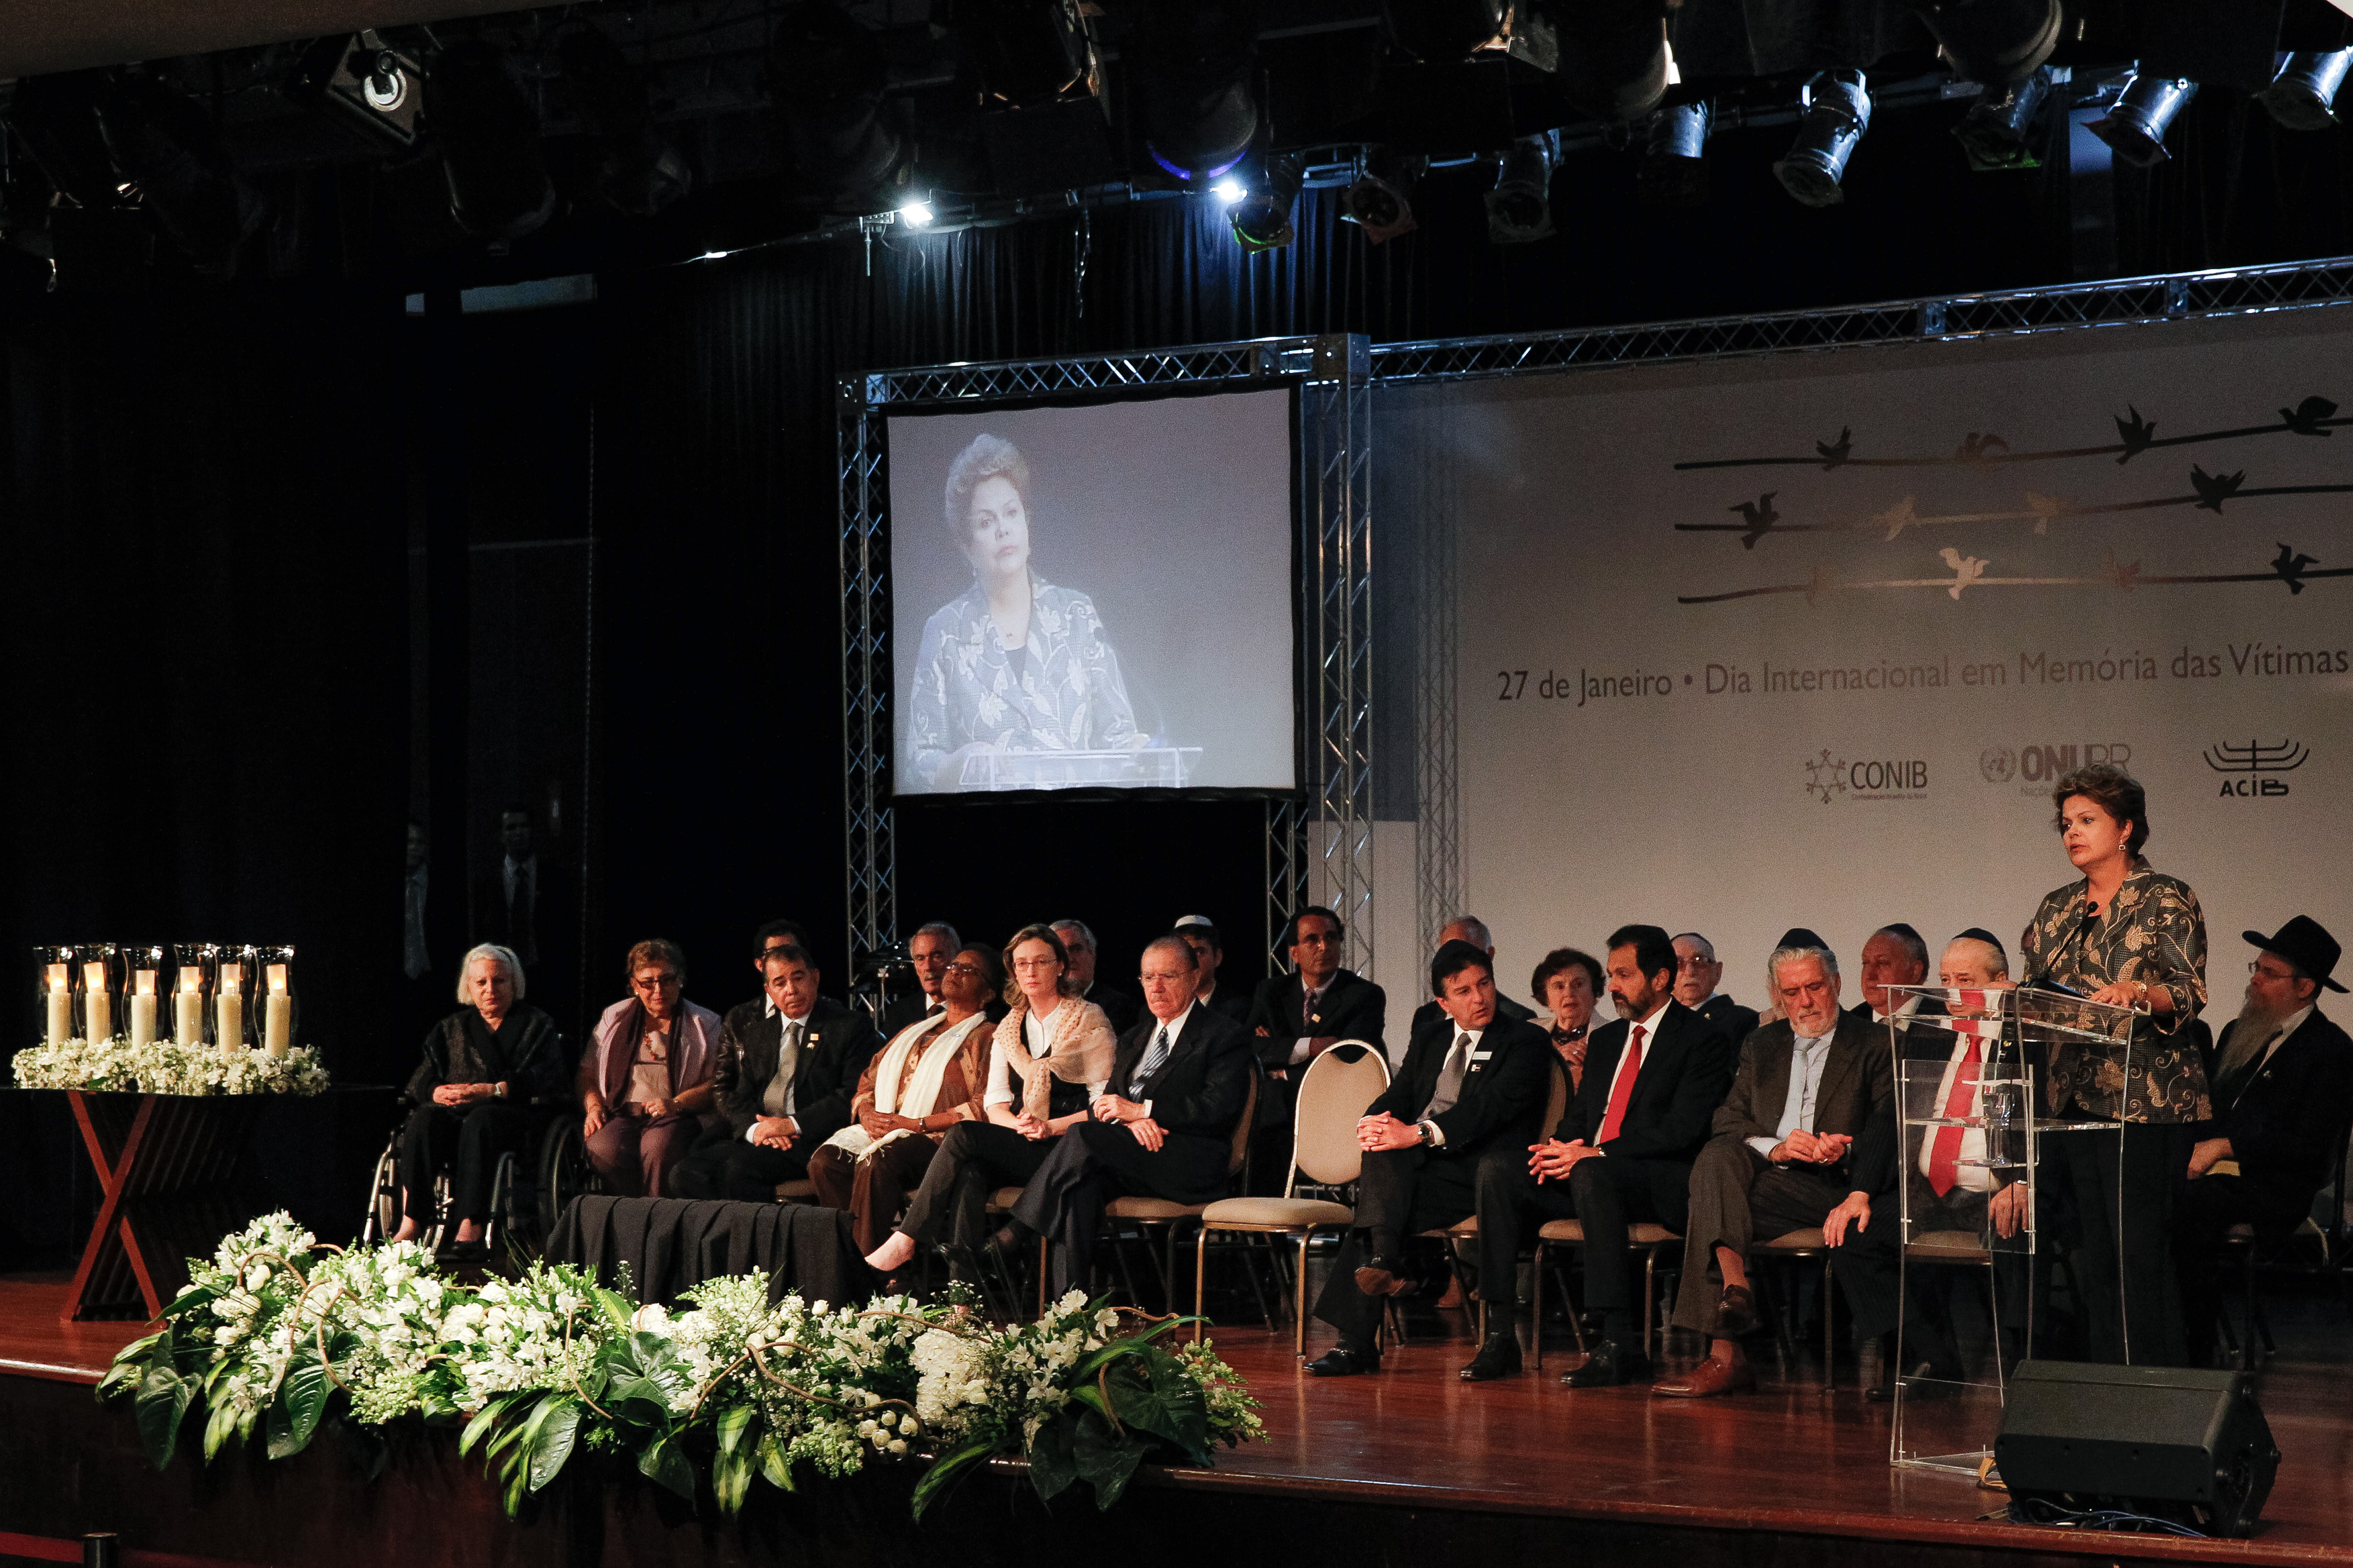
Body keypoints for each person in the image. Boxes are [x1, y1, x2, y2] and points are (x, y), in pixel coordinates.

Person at [2017, 762, 2209, 1366]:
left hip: (2144, 1100)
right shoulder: (2056, 907)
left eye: (2087, 820)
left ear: (2126, 828)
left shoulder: (2164, 897)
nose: (2073, 832)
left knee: (2139, 1255)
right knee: (2094, 1253)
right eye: (2067, 823)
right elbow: (2038, 989)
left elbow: (2187, 990)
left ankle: (2158, 1394)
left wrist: (2137, 992)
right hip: (2073, 1096)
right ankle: (2108, 1389)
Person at [1652, 939, 1893, 1397]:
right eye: (1791, 992)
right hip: (1763, 1174)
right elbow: (1726, 1119)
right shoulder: (1763, 1044)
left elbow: (1890, 1131)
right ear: (1778, 996)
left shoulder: (1873, 1043)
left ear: (1837, 984)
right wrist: (1778, 1148)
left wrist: (1840, 1148)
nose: (1804, 1001)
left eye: (1815, 987)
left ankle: (1726, 1350)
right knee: (1719, 1155)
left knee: (1709, 1195)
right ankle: (1734, 1291)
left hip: (1831, 1187)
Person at [1305, 939, 1551, 1380]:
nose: (1480, 998)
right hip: (1430, 1172)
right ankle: (1385, 1266)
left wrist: (1415, 1133)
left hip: (1488, 1170)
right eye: (1464, 991)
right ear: (1443, 1001)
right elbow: (1400, 1094)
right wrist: (1373, 1121)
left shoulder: (1525, 1037)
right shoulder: (1431, 1037)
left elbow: (1491, 1108)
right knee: (1380, 1155)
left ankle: (1372, 1319)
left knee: (1378, 1203)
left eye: (1485, 984)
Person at [1521, 924, 1736, 1388]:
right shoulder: (1608, 1039)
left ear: (1660, 979)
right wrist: (1559, 1147)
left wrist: (1595, 1152)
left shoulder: (1701, 1039)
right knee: (1501, 1173)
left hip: (1663, 1181)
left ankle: (1619, 1341)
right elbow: (1580, 1116)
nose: (1612, 985)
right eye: (1611, 974)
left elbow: (1681, 1130)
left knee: (1593, 1174)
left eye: (1623, 974)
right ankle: (1497, 1333)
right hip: (1595, 1173)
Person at [1825, 929, 2027, 1398]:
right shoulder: (1931, 1035)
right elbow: (1887, 1118)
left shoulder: (2024, 1040)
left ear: (2001, 981)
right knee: (1853, 1239)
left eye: (1966, 979)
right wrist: (1859, 1191)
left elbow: (2046, 1120)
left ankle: (2024, 1380)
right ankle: (1936, 1357)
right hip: (1929, 1191)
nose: (1953, 992)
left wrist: (2022, 1181)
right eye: (1946, 979)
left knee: (2020, 1235)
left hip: (1995, 1191)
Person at [861, 924, 1117, 1275]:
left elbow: (1103, 1107)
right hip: (1024, 1139)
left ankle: (907, 1238)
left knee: (966, 1134)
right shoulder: (1010, 1027)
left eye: (1040, 962)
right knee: (971, 1172)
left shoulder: (1089, 1019)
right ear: (1012, 970)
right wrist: (1021, 1124)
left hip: (1068, 1147)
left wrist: (1048, 1126)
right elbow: (996, 1104)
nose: (1030, 972)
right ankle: (962, 1302)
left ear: (1059, 966)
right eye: (1021, 963)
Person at [1010, 934, 1256, 1295]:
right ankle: (1069, 1313)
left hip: (1190, 1160)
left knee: (1081, 1136)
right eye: (1147, 977)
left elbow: (1217, 1110)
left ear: (1194, 976)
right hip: (1134, 1154)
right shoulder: (1134, 1037)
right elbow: (1109, 1103)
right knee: (1080, 1186)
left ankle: (1018, 1231)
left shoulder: (1223, 1035)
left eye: (1168, 976)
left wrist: (1144, 1110)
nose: (1156, 987)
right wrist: (1134, 1119)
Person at [904, 433, 1144, 792]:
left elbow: (1119, 738)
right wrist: (961, 762)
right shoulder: (944, 632)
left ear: (1027, 524)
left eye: (1011, 513)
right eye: (986, 522)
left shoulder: (1077, 615)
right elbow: (920, 764)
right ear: (967, 546)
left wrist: (1140, 751)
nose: (1003, 529)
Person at [2177, 918, 2353, 1366]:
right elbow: (2209, 1109)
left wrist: (2225, 1146)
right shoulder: (2240, 1029)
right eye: (2257, 966)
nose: (2254, 977)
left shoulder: (2331, 1050)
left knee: (2192, 1206)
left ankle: (2192, 1349)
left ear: (2306, 987)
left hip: (2275, 1185)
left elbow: (2307, 1145)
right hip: (2214, 1175)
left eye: (2270, 973)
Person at [810, 946, 1001, 1257]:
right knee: (826, 1162)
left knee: (879, 1159)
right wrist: (868, 1113)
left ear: (989, 993)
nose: (955, 972)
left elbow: (984, 1106)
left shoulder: (989, 1037)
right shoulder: (915, 1030)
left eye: (969, 970)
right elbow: (868, 1079)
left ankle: (867, 1271)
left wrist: (913, 1125)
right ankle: (848, 1260)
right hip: (888, 1129)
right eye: (954, 966)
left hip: (938, 1142)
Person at [669, 931, 883, 1201]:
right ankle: (713, 1244)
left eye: (798, 978)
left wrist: (791, 1125)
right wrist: (756, 1130)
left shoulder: (850, 1027)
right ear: (769, 990)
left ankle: (762, 1242)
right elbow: (740, 1096)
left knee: (739, 1172)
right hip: (766, 1136)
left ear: (815, 978)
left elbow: (850, 1096)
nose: (791, 990)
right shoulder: (759, 1033)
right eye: (780, 983)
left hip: (812, 1137)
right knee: (685, 1172)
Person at [392, 943, 570, 1255]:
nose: (490, 989)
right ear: (469, 987)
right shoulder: (450, 1028)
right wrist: (436, 1091)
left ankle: (470, 1224)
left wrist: (494, 1090)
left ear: (514, 983)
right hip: (456, 1114)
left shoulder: (537, 1026)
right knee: (424, 1118)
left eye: (499, 981)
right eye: (481, 982)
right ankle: (412, 1220)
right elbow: (421, 1077)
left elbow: (549, 1078)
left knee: (481, 1120)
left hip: (511, 1118)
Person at [1246, 906, 1389, 1190]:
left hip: (1335, 1105)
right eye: (1312, 939)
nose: (1324, 946)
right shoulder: (1271, 992)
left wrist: (1282, 1069)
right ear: (1294, 951)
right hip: (1279, 1112)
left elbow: (1349, 1055)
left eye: (1332, 938)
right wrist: (1310, 1045)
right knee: (1263, 1120)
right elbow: (1249, 1046)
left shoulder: (1364, 995)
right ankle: (1265, 1227)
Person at [579, 939, 723, 1199]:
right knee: (603, 1147)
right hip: (621, 1111)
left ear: (680, 979)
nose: (658, 990)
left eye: (667, 980)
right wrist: (593, 1107)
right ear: (634, 985)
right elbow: (588, 1072)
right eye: (647, 983)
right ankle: (629, 1217)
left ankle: (655, 1222)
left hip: (677, 1115)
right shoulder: (614, 1017)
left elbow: (717, 1084)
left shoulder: (705, 1023)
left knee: (658, 1146)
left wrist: (676, 1103)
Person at [1411, 917, 1538, 1034]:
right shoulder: (1425, 1016)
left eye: (1468, 954)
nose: (1459, 963)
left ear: (1489, 954)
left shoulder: (1520, 1018)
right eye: (1447, 954)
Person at [1534, 947, 1605, 1092]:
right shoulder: (1530, 1032)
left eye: (1579, 984)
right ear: (1546, 997)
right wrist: (1556, 1061)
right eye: (1559, 986)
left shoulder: (1616, 1034)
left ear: (1594, 991)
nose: (1569, 993)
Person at [1052, 919, 1140, 1035]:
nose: (1069, 958)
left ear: (1092, 953)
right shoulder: (1038, 1007)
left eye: (1076, 949)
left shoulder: (1119, 1007)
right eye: (1060, 952)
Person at [1672, 933, 1758, 1046]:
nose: (1690, 972)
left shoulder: (1743, 1021)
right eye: (1678, 963)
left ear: (1717, 972)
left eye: (1699, 961)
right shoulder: (1655, 1022)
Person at [881, 921, 962, 1036]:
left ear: (957, 958)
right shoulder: (898, 1014)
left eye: (937, 957)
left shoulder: (976, 1009)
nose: (928, 967)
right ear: (915, 965)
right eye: (920, 959)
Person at [1173, 915, 1251, 1025]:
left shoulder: (1239, 1010)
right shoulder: (1156, 1009)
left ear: (1217, 957)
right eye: (1184, 954)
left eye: (1199, 952)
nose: (1191, 961)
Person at [1849, 924, 1932, 1027]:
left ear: (1915, 972)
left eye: (1882, 963)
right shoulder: (1847, 1026)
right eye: (1865, 963)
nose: (1870, 976)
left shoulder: (1947, 1019)